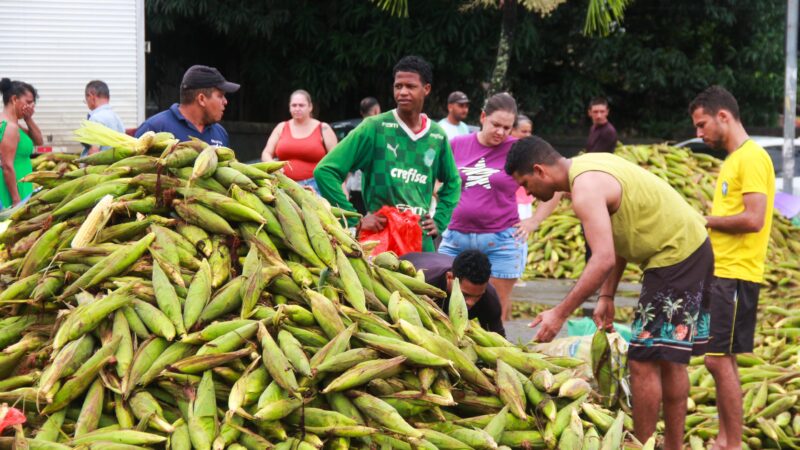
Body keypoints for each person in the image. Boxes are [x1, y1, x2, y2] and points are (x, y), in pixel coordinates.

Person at [505, 136, 712, 450]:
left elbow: (601, 259)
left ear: (539, 170)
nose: (529, 194)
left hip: (675, 257)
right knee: (669, 358)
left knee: (643, 361)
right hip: (687, 249)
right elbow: (620, 238)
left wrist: (559, 313)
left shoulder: (584, 190)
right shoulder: (590, 166)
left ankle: (641, 444)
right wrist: (607, 296)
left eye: (526, 183)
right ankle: (671, 445)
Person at [689, 86, 775, 450]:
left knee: (718, 361)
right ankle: (727, 439)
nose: (698, 133)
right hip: (723, 274)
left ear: (723, 116)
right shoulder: (734, 159)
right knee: (719, 361)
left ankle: (732, 443)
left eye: (701, 124)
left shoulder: (751, 157)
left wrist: (704, 220)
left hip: (736, 274)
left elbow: (754, 218)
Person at [314, 55, 461, 253]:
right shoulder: (374, 128)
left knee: (422, 284)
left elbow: (453, 182)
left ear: (426, 89)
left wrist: (439, 221)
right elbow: (325, 171)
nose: (403, 92)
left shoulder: (436, 135)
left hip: (419, 238)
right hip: (381, 239)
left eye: (410, 86)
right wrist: (353, 219)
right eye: (398, 86)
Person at [438, 93, 529, 321]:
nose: (500, 132)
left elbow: (555, 181)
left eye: (507, 128)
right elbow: (436, 179)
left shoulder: (518, 149)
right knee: (443, 302)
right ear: (482, 117)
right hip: (456, 236)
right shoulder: (456, 145)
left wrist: (533, 222)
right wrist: (443, 206)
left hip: (501, 239)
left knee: (495, 310)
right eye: (495, 124)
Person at [401, 250, 505, 335]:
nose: (471, 303)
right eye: (465, 295)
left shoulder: (489, 298)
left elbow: (498, 339)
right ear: (449, 277)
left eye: (478, 296)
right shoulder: (424, 284)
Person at [135, 65, 239, 146]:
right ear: (201, 99)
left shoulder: (220, 133)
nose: (225, 102)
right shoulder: (154, 128)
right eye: (220, 96)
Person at [261, 90, 338, 192]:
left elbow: (337, 160)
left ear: (310, 107)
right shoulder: (281, 127)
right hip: (283, 184)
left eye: (301, 105)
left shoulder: (323, 128)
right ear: (289, 107)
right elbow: (266, 153)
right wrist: (272, 164)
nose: (297, 109)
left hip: (315, 186)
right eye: (294, 105)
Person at [0, 78, 42, 209]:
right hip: (13, 191)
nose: (31, 106)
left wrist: (28, 119)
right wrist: (16, 200)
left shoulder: (15, 125)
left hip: (21, 185)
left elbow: (39, 141)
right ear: (14, 99)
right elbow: (7, 165)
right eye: (28, 102)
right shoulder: (9, 127)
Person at [346, 97, 382, 214]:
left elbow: (348, 165)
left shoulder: (354, 133)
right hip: (376, 188)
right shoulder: (382, 133)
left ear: (361, 113)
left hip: (355, 186)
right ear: (377, 111)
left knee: (359, 222)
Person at [82, 80, 125, 157]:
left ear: (91, 96)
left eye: (86, 99)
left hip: (100, 167)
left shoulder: (95, 118)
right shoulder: (116, 117)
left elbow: (94, 152)